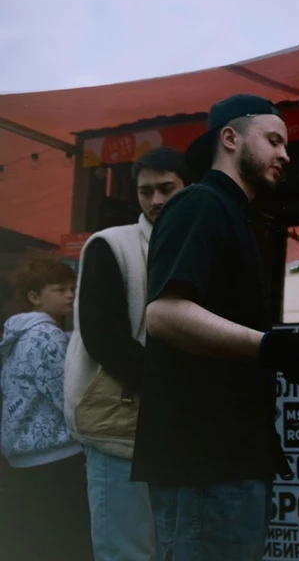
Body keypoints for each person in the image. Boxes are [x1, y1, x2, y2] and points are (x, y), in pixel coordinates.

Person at [131, 94, 299, 560]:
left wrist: (289, 353)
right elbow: (164, 314)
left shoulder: (235, 215)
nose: (285, 154)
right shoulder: (199, 204)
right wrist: (273, 349)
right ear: (230, 138)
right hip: (204, 465)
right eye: (274, 140)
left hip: (231, 457)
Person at [65, 146, 189, 561]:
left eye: (166, 189)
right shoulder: (109, 245)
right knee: (127, 550)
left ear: (189, 188)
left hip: (178, 424)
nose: (155, 201)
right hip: (120, 420)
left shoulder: (195, 244)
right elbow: (103, 338)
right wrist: (172, 387)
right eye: (145, 191)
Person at [1, 259, 93, 561]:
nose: (70, 295)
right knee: (67, 540)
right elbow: (66, 397)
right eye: (59, 289)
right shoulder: (47, 336)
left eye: (72, 289)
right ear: (34, 297)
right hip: (56, 455)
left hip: (22, 455)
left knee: (36, 540)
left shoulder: (17, 334)